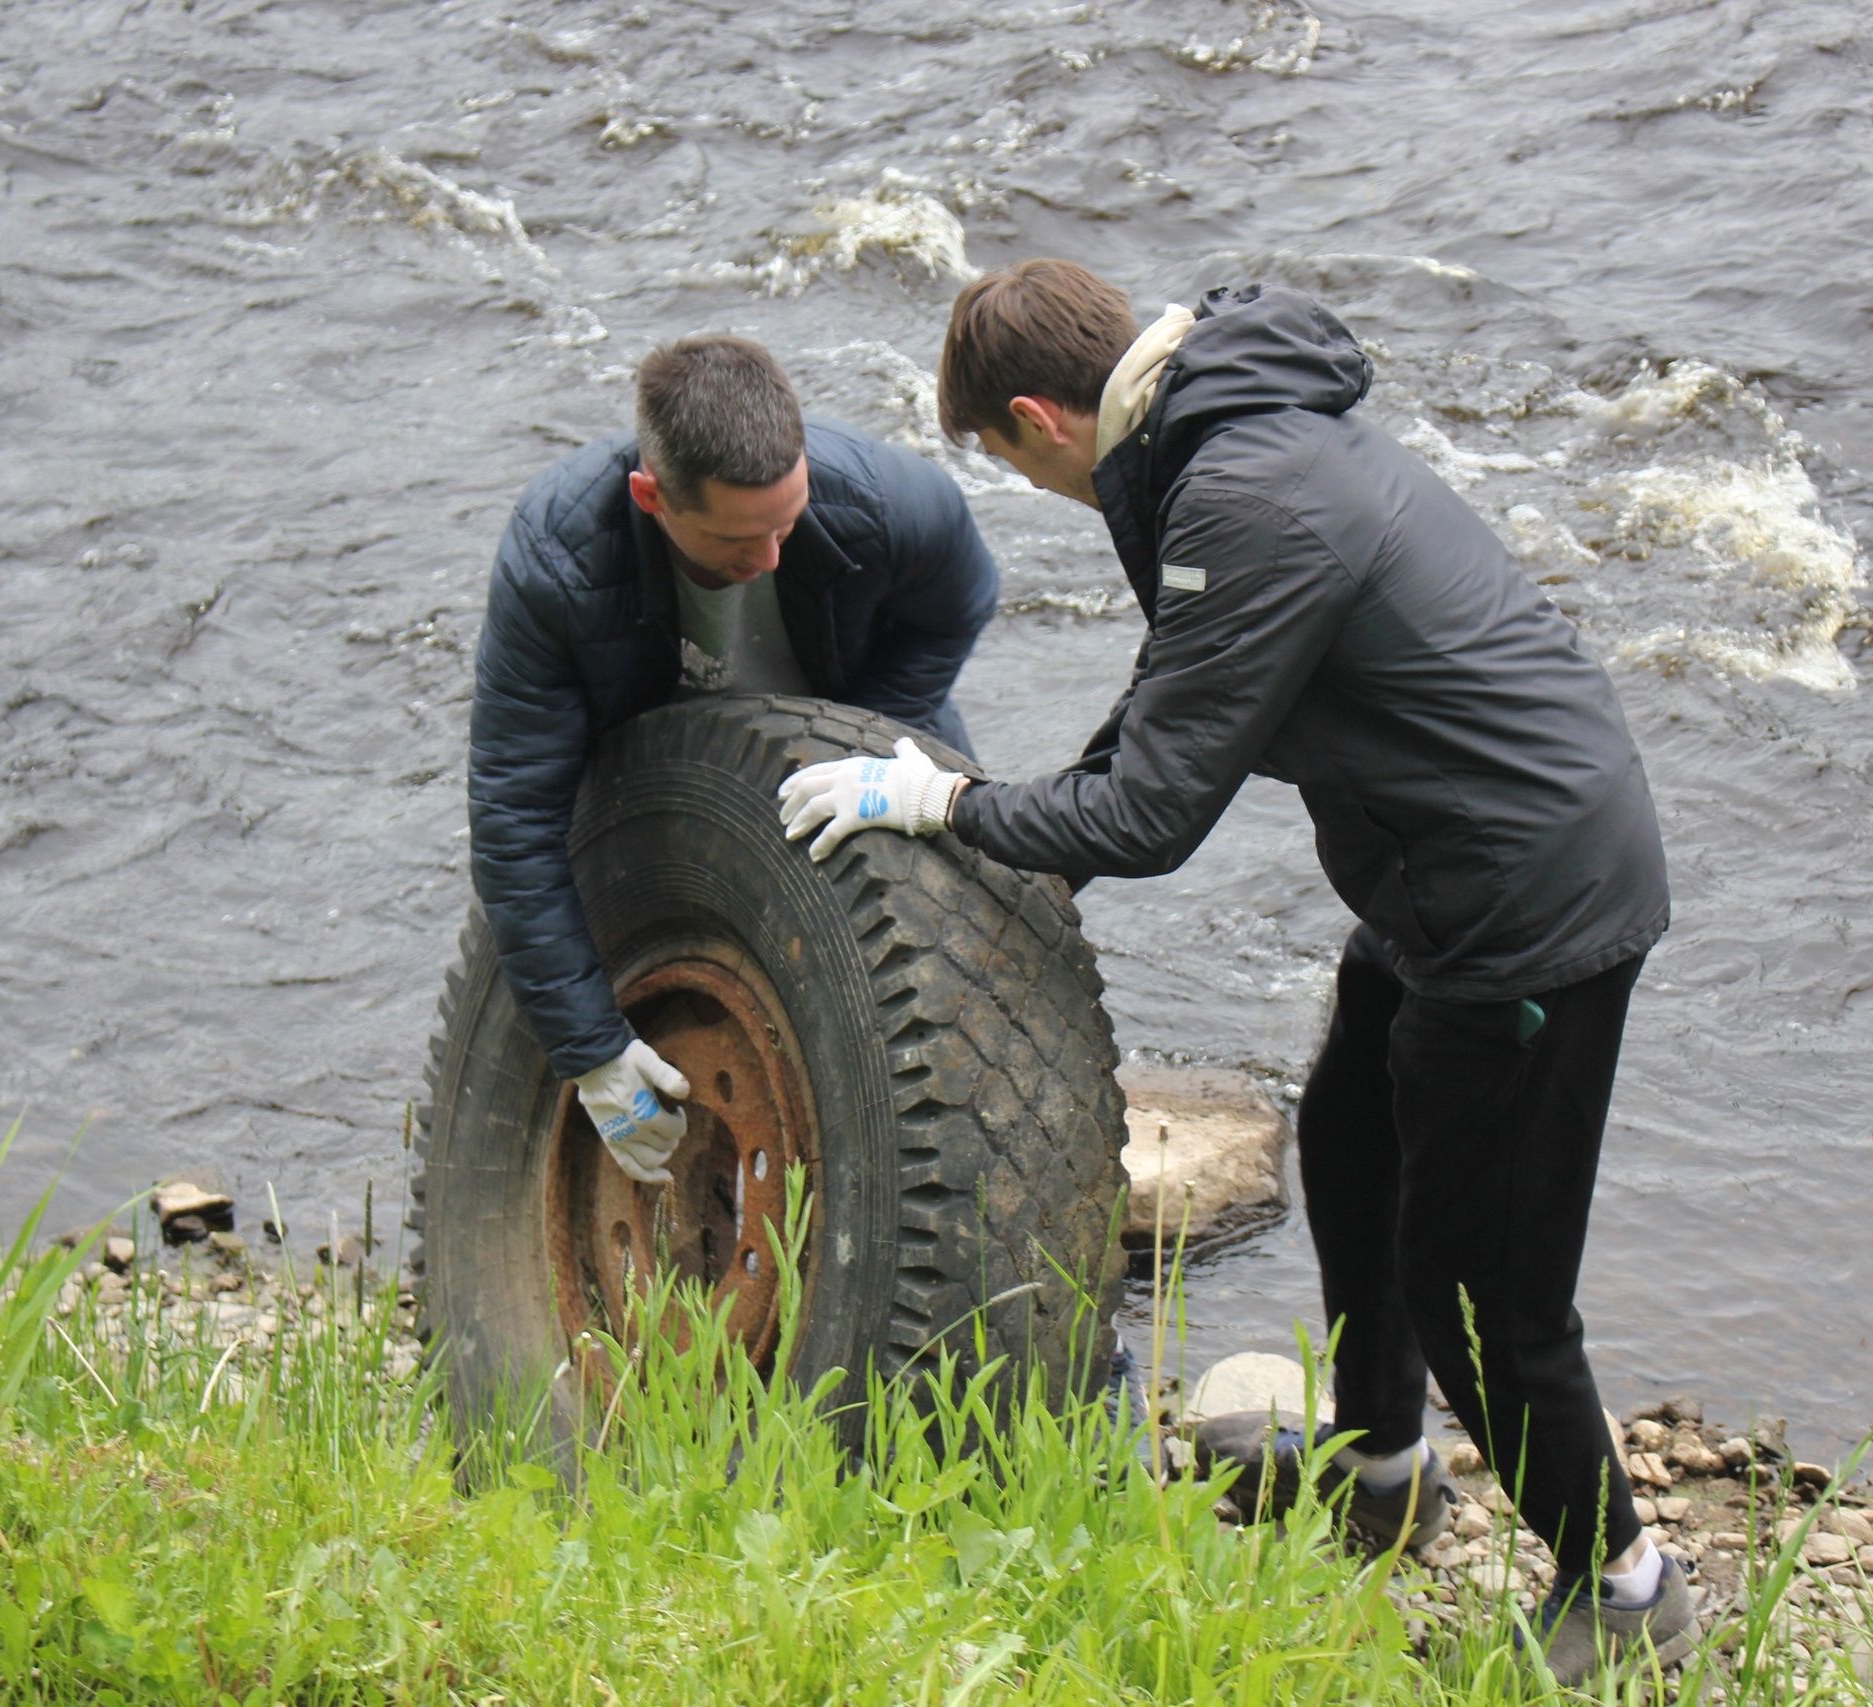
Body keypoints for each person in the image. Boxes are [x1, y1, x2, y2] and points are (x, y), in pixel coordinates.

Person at [776, 262, 1691, 1685]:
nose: (1040, 491)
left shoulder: (1238, 495)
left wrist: (947, 809)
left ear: (1041, 417)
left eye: (1016, 466)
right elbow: (1173, 698)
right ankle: (1386, 1469)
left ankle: (1628, 1582)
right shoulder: (1225, 434)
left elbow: (1152, 814)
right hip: (1447, 866)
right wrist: (1006, 850)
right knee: (1345, 1133)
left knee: (1483, 1285)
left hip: (1527, 904)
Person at [469, 333, 999, 1185]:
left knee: (962, 973)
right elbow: (514, 822)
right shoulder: (557, 563)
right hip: (665, 775)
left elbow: (964, 596)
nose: (769, 561)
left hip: (856, 740)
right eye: (736, 543)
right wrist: (592, 1048)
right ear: (653, 496)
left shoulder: (884, 499)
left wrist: (867, 734)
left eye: (788, 525)